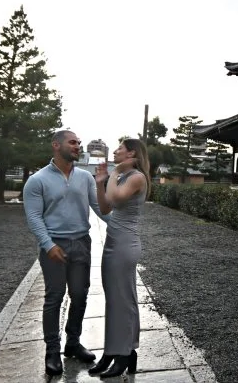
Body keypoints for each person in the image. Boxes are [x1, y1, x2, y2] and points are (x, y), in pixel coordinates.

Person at [23, 130, 112, 376]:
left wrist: (121, 228)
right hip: (55, 245)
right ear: (56, 145)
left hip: (82, 243)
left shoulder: (84, 177)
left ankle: (72, 343)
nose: (77, 146)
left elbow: (99, 208)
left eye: (78, 143)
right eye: (72, 142)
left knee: (80, 295)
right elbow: (33, 217)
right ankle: (52, 351)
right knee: (54, 297)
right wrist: (48, 245)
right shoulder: (37, 180)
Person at [87, 137, 151, 378]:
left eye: (119, 149)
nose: (114, 151)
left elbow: (115, 199)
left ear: (131, 153)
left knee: (122, 301)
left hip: (125, 246)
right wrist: (100, 182)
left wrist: (113, 174)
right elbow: (105, 208)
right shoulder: (123, 177)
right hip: (114, 243)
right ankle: (114, 352)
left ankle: (123, 354)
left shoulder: (135, 177)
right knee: (116, 301)